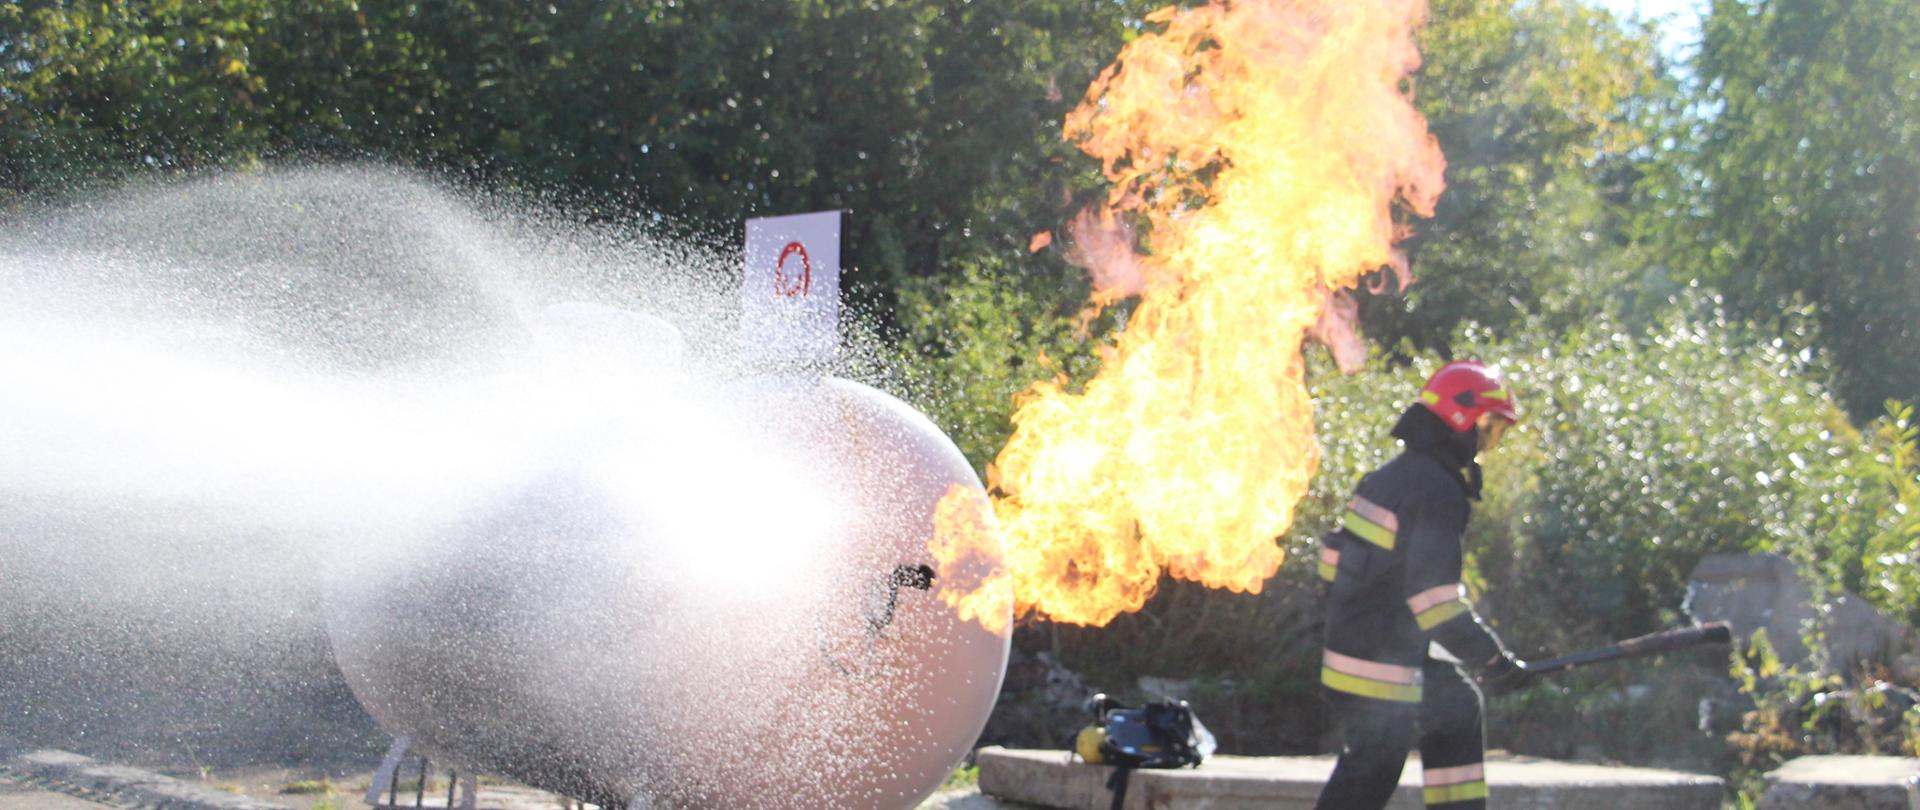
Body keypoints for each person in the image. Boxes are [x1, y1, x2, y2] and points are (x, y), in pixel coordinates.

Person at [1310, 360, 1529, 810]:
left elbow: (1333, 560)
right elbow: (1434, 602)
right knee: (1371, 770)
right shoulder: (1436, 490)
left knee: (1456, 706)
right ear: (1459, 422)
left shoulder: (1390, 477)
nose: (1487, 441)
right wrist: (1491, 658)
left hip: (1357, 650)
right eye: (1486, 427)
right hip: (1381, 668)